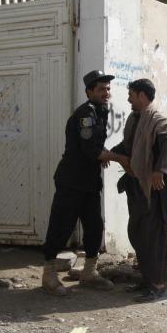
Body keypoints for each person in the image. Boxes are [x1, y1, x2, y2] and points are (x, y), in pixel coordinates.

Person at [41, 70, 116, 296]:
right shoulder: (85, 114)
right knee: (61, 226)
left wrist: (101, 157)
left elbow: (95, 148)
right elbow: (90, 149)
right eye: (101, 89)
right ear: (90, 91)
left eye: (108, 89)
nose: (106, 93)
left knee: (95, 227)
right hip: (71, 181)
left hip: (89, 182)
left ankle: (89, 272)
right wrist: (121, 159)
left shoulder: (101, 111)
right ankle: (49, 274)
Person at [104, 78, 167, 303]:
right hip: (137, 186)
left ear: (142, 96)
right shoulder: (135, 119)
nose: (128, 98)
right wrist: (110, 154)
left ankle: (157, 284)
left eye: (131, 94)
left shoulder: (158, 119)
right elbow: (128, 146)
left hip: (154, 188)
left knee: (154, 236)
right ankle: (146, 280)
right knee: (138, 233)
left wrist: (161, 171)